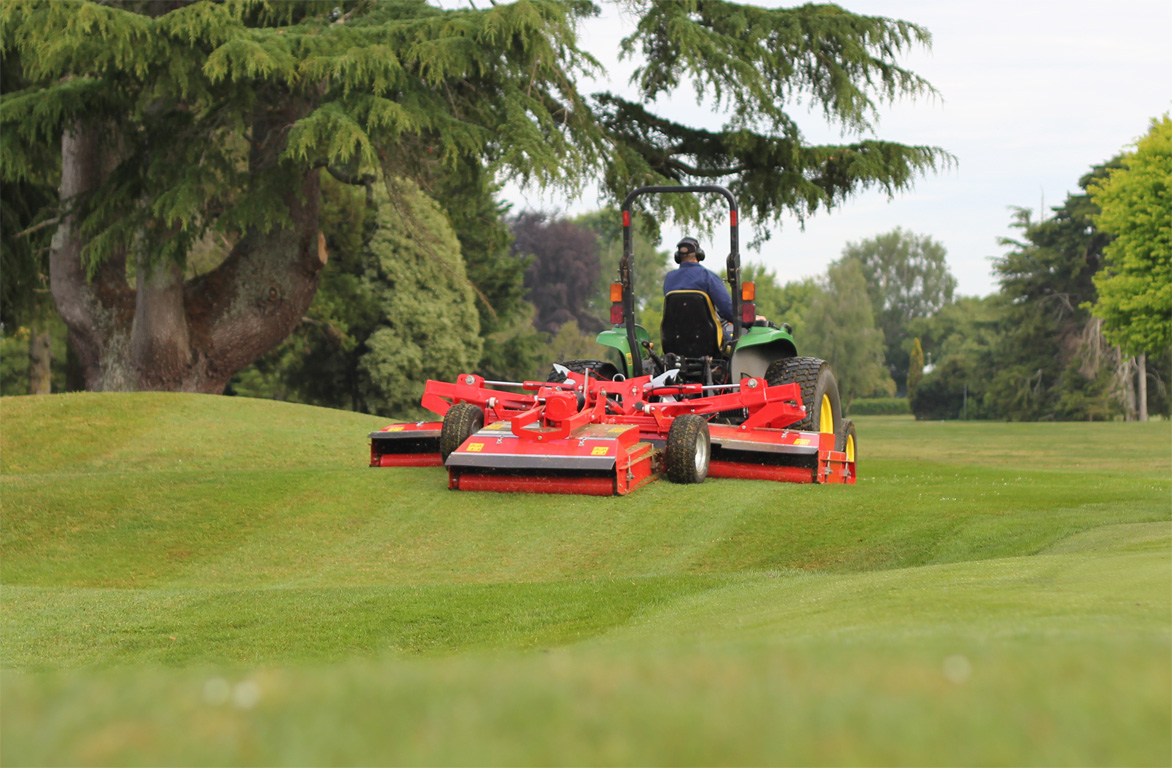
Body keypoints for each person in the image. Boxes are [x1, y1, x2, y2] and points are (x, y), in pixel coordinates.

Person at [663, 237, 734, 343]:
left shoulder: (669, 278)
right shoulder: (707, 276)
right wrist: (749, 321)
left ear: (677, 257)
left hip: (676, 340)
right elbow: (728, 311)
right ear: (700, 254)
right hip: (708, 340)